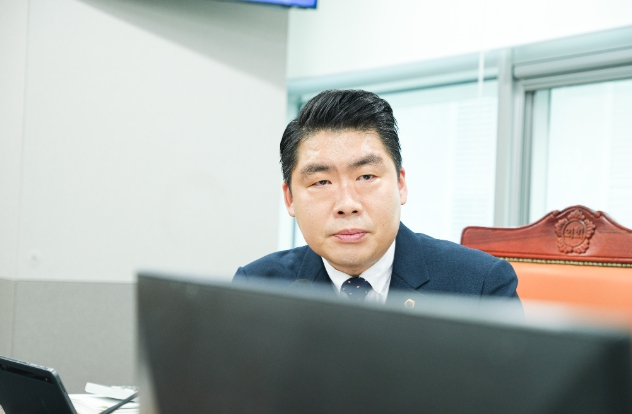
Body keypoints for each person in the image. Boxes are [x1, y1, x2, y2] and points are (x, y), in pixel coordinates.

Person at [233, 89, 519, 304]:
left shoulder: (480, 287)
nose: (347, 205)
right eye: (321, 181)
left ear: (400, 184)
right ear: (290, 199)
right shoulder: (255, 289)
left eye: (366, 177)